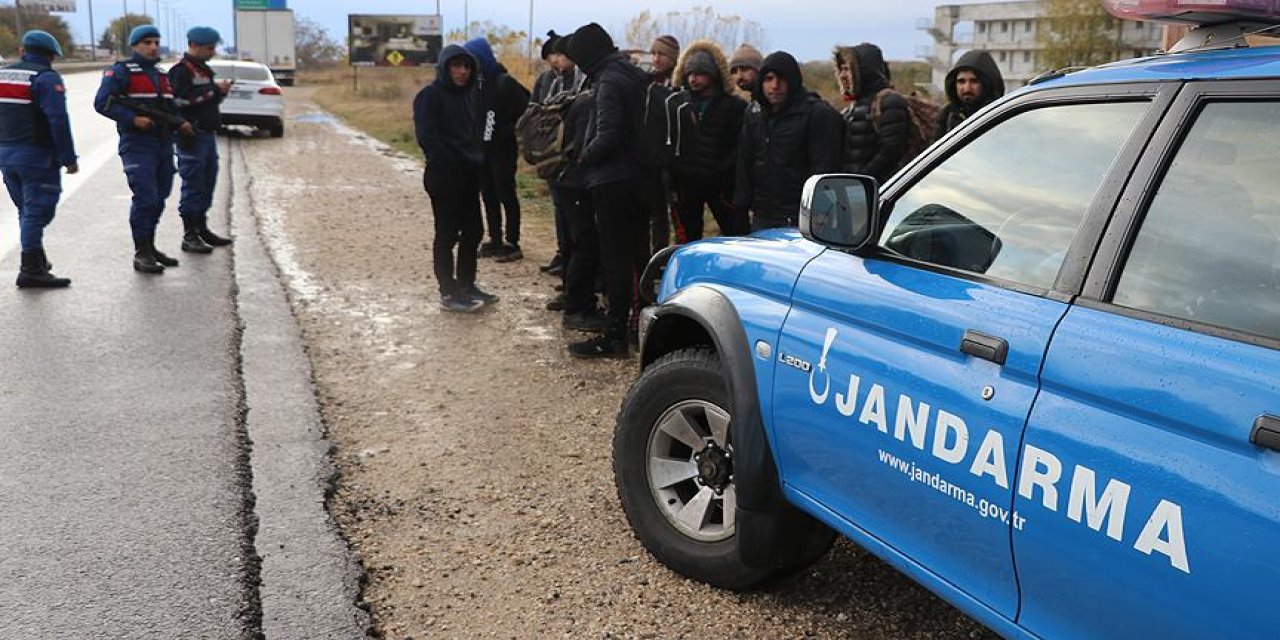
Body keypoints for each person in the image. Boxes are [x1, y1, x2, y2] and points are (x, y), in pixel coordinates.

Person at [565, 22, 649, 358]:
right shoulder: (629, 73)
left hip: (615, 181)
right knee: (637, 255)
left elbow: (608, 133)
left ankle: (615, 335)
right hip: (639, 179)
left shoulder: (609, 80)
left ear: (587, 55)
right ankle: (636, 327)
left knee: (617, 258)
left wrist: (585, 156)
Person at [95, 24, 194, 274]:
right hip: (138, 143)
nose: (153, 47)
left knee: (160, 195)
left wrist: (181, 122)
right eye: (147, 42)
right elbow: (102, 103)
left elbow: (169, 109)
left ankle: (150, 245)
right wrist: (132, 119)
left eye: (156, 42)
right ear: (135, 45)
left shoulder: (161, 74)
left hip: (162, 142)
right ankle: (141, 252)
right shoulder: (121, 71)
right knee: (146, 196)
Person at [413, 44, 496, 313]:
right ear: (445, 67)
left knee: (473, 231)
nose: (462, 72)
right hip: (444, 176)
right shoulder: (430, 95)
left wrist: (478, 158)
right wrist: (444, 161)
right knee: (447, 235)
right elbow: (426, 136)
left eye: (467, 66)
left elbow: (473, 133)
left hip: (469, 174)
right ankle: (448, 292)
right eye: (456, 66)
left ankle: (466, 284)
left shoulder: (469, 96)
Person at [0, 30, 77, 288]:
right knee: (38, 211)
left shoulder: (3, 75)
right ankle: (31, 269)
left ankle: (38, 260)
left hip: (7, 156)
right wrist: (68, 157)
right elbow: (57, 120)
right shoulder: (45, 78)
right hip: (36, 156)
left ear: (23, 51)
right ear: (52, 56)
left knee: (27, 210)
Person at [734, 51, 842, 231]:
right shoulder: (754, 114)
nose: (775, 86)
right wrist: (740, 209)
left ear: (792, 81)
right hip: (763, 215)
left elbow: (825, 170)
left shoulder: (816, 114)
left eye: (781, 79)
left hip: (802, 217)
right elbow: (745, 163)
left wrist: (819, 214)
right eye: (769, 79)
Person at [669, 40, 746, 242]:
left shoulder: (733, 106)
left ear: (713, 74)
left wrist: (722, 170)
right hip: (687, 183)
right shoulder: (679, 104)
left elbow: (740, 144)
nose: (694, 79)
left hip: (721, 184)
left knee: (734, 234)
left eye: (700, 73)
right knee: (687, 239)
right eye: (690, 74)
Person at [464, 38, 531, 264]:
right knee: (488, 194)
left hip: (503, 149)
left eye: (472, 58)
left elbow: (528, 109)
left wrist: (509, 130)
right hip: (480, 151)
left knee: (505, 193)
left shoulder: (505, 82)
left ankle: (512, 242)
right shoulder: (473, 83)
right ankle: (495, 239)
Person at [168, 26, 233, 255]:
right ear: (194, 45)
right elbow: (180, 101)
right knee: (193, 184)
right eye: (209, 48)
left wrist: (219, 92)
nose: (212, 52)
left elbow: (207, 101)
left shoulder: (204, 70)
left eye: (214, 48)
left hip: (208, 133)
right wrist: (212, 90)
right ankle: (190, 234)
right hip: (191, 135)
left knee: (207, 183)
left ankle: (202, 227)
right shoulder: (180, 71)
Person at [531, 30, 586, 279]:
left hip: (571, 158)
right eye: (550, 56)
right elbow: (534, 109)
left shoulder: (580, 80)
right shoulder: (546, 80)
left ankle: (571, 265)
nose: (554, 60)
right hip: (550, 154)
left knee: (574, 218)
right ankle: (563, 255)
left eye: (558, 54)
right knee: (559, 209)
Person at [836, 43, 909, 184]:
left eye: (847, 69)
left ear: (863, 71)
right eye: (841, 69)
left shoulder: (889, 101)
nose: (843, 75)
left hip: (879, 191)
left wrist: (861, 180)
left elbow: (891, 150)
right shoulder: (854, 106)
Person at [936, 50, 1004, 140]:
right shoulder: (947, 115)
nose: (967, 88)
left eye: (974, 81)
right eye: (961, 81)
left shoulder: (999, 113)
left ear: (986, 84)